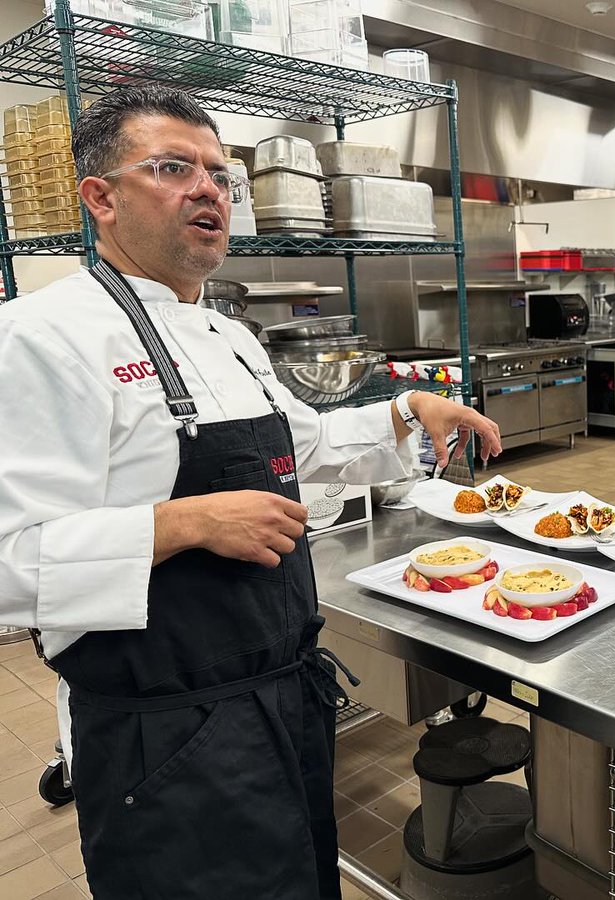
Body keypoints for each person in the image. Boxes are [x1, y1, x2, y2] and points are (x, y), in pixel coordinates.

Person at [0, 86, 502, 900]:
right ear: (102, 198)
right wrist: (179, 525)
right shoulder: (41, 337)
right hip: (162, 735)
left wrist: (410, 410)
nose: (207, 189)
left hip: (281, 703)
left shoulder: (231, 337)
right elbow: (8, 563)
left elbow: (304, 451)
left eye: (219, 173)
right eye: (171, 167)